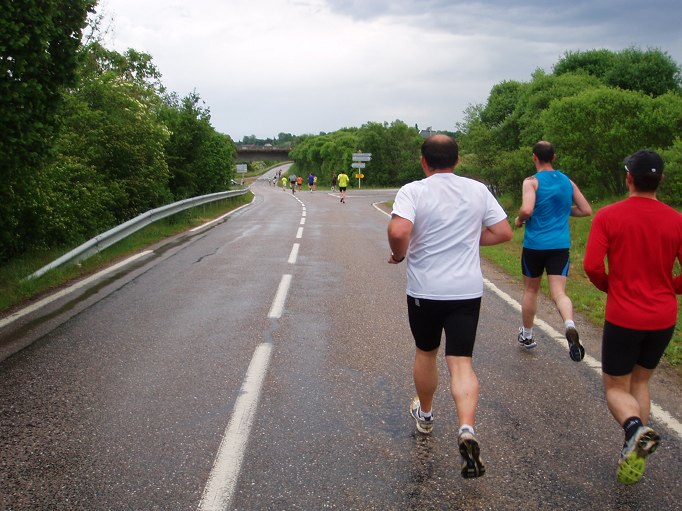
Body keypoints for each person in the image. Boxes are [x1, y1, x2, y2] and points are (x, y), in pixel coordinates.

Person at [387, 134, 512, 479]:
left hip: (425, 291)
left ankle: (426, 416)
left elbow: (399, 231)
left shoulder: (413, 191)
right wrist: (471, 238)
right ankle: (467, 428)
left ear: (424, 162)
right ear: (457, 161)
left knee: (426, 353)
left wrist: (400, 254)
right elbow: (503, 232)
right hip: (466, 292)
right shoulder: (477, 190)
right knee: (461, 363)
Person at [583, 150, 682, 485]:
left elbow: (592, 266)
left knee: (614, 386)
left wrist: (612, 287)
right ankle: (633, 443)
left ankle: (634, 429)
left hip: (624, 315)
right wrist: (670, 286)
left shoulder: (609, 216)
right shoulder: (676, 219)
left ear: (628, 177)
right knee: (640, 382)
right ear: (661, 180)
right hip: (663, 316)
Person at [514, 140, 592, 360]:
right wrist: (562, 212)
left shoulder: (532, 182)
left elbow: (527, 209)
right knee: (559, 292)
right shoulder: (567, 181)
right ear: (554, 157)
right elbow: (585, 209)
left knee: (531, 290)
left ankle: (527, 335)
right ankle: (569, 325)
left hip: (535, 245)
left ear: (534, 157)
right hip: (560, 245)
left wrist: (519, 219)